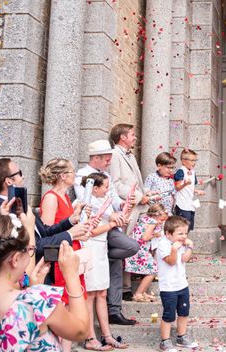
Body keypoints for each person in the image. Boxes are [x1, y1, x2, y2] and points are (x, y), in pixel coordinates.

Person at [0, 213, 89, 350]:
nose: (31, 254)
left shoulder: (29, 297)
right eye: (29, 250)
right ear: (16, 259)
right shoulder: (36, 300)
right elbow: (81, 331)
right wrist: (72, 276)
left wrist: (31, 287)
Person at [75, 139, 140, 327]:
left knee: (116, 263)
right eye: (106, 159)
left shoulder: (105, 175)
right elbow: (88, 201)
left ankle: (114, 310)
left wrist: (122, 205)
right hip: (97, 227)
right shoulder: (83, 175)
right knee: (131, 246)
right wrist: (114, 217)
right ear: (96, 158)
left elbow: (112, 197)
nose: (109, 162)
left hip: (111, 224)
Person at [0, 158, 91, 263]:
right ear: (9, 181)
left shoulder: (18, 203)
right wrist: (70, 234)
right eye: (20, 173)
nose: (23, 176)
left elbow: (44, 231)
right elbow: (34, 245)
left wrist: (70, 220)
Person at [39, 158, 88, 352]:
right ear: (62, 176)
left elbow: (62, 223)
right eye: (72, 171)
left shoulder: (66, 197)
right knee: (64, 303)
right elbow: (46, 233)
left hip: (71, 250)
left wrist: (74, 218)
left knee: (72, 300)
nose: (74, 174)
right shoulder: (51, 197)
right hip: (60, 254)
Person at [82, 173, 129, 350]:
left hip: (101, 247)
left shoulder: (104, 201)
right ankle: (90, 337)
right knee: (91, 294)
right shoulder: (87, 202)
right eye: (105, 186)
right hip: (90, 247)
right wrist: (110, 225)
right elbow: (89, 230)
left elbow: (111, 221)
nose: (108, 189)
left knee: (102, 293)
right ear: (94, 188)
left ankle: (107, 335)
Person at [108, 124, 149, 309]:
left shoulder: (130, 155)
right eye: (132, 134)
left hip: (136, 206)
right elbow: (116, 185)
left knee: (133, 244)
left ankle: (127, 285)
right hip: (127, 208)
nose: (135, 137)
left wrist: (146, 194)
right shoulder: (115, 155)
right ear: (122, 137)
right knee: (125, 243)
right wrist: (140, 197)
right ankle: (124, 288)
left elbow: (135, 183)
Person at [156, 215, 198, 351]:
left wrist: (189, 248)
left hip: (182, 285)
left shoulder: (181, 244)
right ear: (168, 234)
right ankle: (165, 341)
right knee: (169, 314)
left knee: (183, 312)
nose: (184, 236)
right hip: (168, 288)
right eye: (180, 233)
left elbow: (184, 259)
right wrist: (174, 249)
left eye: (186, 233)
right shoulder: (163, 244)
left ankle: (181, 337)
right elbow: (171, 261)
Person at [124, 203, 167, 302]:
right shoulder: (152, 222)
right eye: (161, 220)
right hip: (140, 250)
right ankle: (138, 293)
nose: (161, 222)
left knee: (150, 270)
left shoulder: (144, 219)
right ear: (156, 215)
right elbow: (145, 237)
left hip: (136, 247)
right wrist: (156, 234)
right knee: (153, 270)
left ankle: (143, 292)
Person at [173, 149, 204, 232]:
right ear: (183, 161)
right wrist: (184, 184)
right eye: (192, 160)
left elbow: (190, 187)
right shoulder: (181, 171)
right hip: (181, 204)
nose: (194, 163)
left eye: (195, 160)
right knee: (181, 227)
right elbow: (177, 187)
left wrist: (197, 191)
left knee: (188, 227)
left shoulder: (193, 172)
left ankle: (185, 242)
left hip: (189, 204)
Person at [144, 152, 177, 217]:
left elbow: (173, 196)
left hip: (167, 213)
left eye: (172, 168)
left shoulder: (170, 181)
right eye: (168, 167)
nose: (171, 170)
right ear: (159, 166)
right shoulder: (152, 177)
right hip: (154, 213)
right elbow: (145, 192)